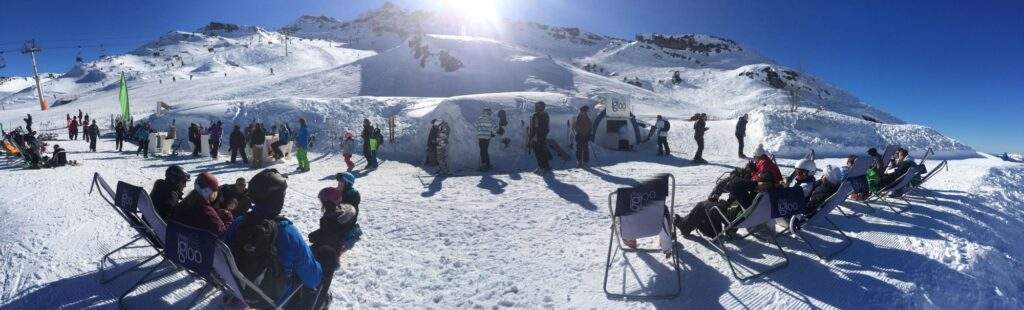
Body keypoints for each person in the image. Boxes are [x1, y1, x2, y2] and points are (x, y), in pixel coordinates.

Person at [223, 169, 322, 308]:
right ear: (278, 199)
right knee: (321, 263)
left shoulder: (239, 222)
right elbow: (313, 279)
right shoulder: (287, 231)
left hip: (239, 287)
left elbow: (225, 253)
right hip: (272, 297)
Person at [673, 171, 781, 237]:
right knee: (717, 203)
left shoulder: (757, 194)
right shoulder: (769, 195)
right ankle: (705, 226)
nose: (757, 182)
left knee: (703, 205)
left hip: (734, 219)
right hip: (748, 218)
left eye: (759, 181)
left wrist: (753, 183)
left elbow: (735, 185)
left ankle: (685, 227)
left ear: (763, 182)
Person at [307, 190, 359, 310]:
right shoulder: (343, 211)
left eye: (322, 201)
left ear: (326, 202)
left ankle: (320, 300)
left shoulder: (329, 218)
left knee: (316, 272)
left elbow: (326, 236)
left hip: (328, 253)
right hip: (337, 245)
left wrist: (313, 236)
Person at [529, 101, 551, 173]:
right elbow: (547, 127)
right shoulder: (546, 114)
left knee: (538, 153)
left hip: (537, 136)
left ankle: (542, 167)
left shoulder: (535, 115)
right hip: (543, 136)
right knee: (543, 151)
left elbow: (535, 127)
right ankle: (546, 166)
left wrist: (532, 137)